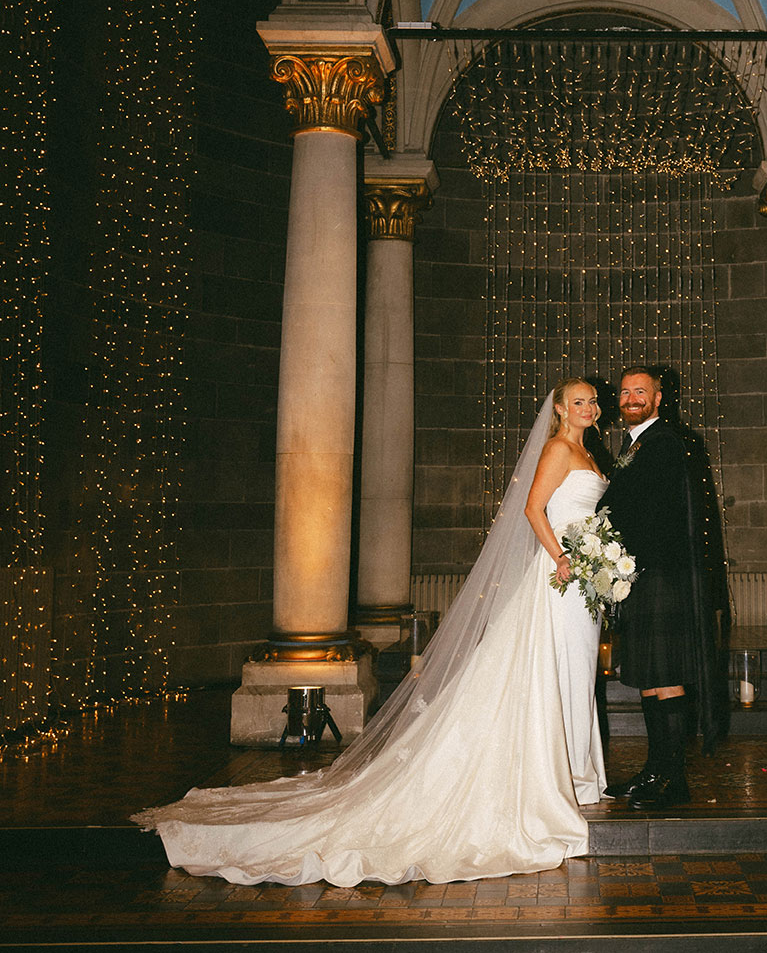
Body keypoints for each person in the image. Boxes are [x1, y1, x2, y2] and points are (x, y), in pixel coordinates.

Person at [133, 381, 607, 886]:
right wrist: (561, 556)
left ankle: (577, 770)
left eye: (592, 401)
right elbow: (534, 509)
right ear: (559, 408)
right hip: (559, 576)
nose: (589, 407)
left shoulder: (588, 449)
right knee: (553, 669)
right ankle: (565, 775)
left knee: (574, 669)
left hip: (583, 579)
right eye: (578, 401)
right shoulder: (558, 447)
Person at [600, 365, 721, 811]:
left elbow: (649, 514)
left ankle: (673, 780)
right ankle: (656, 771)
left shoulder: (665, 443)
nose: (631, 399)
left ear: (658, 397)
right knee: (651, 679)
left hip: (661, 577)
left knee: (665, 677)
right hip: (643, 577)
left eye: (640, 392)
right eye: (626, 392)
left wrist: (609, 544)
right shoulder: (638, 444)